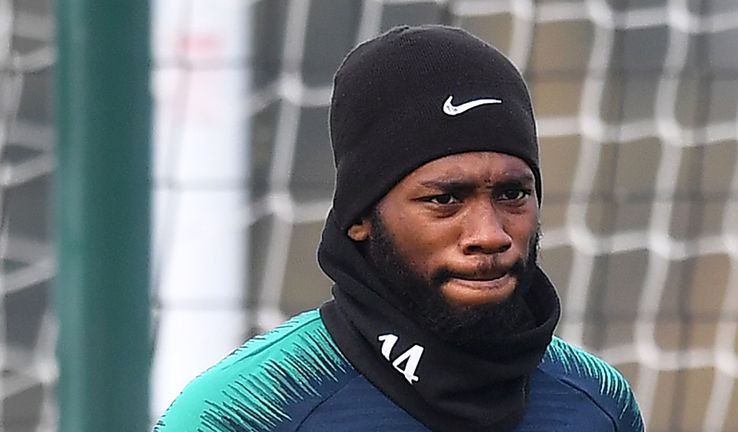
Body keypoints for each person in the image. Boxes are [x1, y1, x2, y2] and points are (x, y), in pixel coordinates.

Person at [155, 25, 644, 432]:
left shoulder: (598, 402)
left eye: (512, 194)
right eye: (445, 200)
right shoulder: (244, 412)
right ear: (361, 219)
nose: (490, 233)